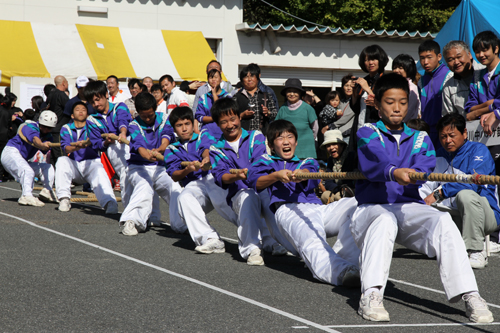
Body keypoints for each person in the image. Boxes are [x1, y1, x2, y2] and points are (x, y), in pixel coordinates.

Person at [351, 73, 493, 323]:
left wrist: (415, 174)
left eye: (403, 102)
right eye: (390, 101)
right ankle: (371, 293)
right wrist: (394, 172)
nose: (397, 108)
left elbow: (424, 164)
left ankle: (470, 294)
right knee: (384, 220)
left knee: (443, 222)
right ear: (377, 104)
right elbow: (374, 160)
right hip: (371, 209)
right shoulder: (367, 131)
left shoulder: (420, 136)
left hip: (408, 207)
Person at [248, 119, 360, 285]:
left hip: (318, 209)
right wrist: (276, 176)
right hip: (288, 210)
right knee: (312, 239)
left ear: (296, 141)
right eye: (280, 138)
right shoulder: (265, 161)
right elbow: (254, 181)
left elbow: (311, 172)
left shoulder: (307, 161)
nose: (286, 141)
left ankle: (345, 258)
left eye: (290, 136)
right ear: (271, 144)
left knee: (359, 204)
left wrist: (303, 174)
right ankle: (339, 271)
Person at [209, 98, 287, 265]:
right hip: (238, 194)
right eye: (223, 122)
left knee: (270, 197)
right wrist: (238, 176)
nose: (230, 125)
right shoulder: (216, 148)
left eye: (232, 119)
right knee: (248, 196)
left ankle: (280, 241)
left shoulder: (256, 136)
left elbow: (262, 161)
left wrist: (250, 173)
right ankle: (251, 248)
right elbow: (221, 176)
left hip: (262, 186)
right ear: (217, 124)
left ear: (239, 117)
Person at [419, 114, 500, 268]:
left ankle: (477, 250)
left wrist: (439, 193)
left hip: (486, 215)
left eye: (451, 135)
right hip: (453, 214)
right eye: (443, 136)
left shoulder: (479, 150)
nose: (447, 140)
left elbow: (473, 184)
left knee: (466, 195)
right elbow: (426, 186)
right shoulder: (439, 155)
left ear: (464, 133)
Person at [164, 106, 238, 246]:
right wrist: (188, 170)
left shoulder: (203, 135)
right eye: (179, 125)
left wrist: (206, 159)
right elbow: (175, 176)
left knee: (225, 205)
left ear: (193, 124)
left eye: (187, 124)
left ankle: (261, 237)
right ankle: (210, 239)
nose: (184, 128)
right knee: (184, 198)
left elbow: (207, 149)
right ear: (174, 129)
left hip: (212, 178)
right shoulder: (171, 149)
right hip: (194, 185)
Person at [119, 92, 182, 236]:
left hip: (160, 166)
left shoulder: (165, 118)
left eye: (150, 115)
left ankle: (181, 223)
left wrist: (161, 148)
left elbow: (167, 135)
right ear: (137, 112)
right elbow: (139, 145)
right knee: (145, 186)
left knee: (175, 187)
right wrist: (146, 154)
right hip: (138, 166)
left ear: (155, 109)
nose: (147, 119)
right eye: (143, 116)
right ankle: (132, 221)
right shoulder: (133, 125)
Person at [55, 102, 118, 214]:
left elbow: (100, 145)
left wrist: (106, 142)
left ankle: (110, 202)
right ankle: (64, 199)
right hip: (74, 164)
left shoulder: (94, 126)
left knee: (99, 168)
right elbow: (66, 148)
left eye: (83, 109)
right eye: (77, 109)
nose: (81, 111)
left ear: (88, 114)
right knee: (62, 160)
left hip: (91, 163)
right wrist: (77, 146)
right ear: (72, 115)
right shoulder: (66, 128)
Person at [0, 110, 58, 206]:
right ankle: (26, 196)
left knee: (48, 167)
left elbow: (45, 149)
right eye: (44, 126)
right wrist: (42, 145)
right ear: (40, 123)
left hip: (22, 158)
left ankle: (47, 190)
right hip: (10, 153)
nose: (46, 129)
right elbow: (35, 139)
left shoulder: (48, 136)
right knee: (28, 171)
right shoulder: (30, 127)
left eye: (49, 128)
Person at [84, 80, 132, 194]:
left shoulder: (119, 106)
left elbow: (123, 121)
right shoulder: (91, 120)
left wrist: (123, 133)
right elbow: (96, 143)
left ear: (106, 94)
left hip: (130, 143)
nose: (96, 104)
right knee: (126, 177)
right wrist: (106, 142)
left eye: (98, 99)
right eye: (92, 102)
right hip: (113, 149)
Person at [418, 40, 453, 146]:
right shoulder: (421, 81)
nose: (425, 62)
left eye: (429, 57)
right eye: (422, 58)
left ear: (439, 57)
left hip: (444, 134)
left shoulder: (450, 76)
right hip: (426, 134)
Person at [275, 78, 317, 159]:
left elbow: (315, 129)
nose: (292, 94)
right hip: (287, 152)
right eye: (289, 91)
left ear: (300, 93)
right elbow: (277, 129)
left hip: (306, 151)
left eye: (295, 91)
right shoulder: (282, 109)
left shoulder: (308, 108)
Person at [233, 65, 278, 135]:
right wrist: (242, 115)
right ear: (242, 80)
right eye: (246, 77)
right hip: (244, 136)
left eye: (252, 76)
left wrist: (268, 112)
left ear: (257, 78)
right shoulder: (236, 97)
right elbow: (231, 117)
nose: (249, 79)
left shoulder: (266, 95)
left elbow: (276, 115)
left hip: (262, 135)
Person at [442, 41, 483, 118]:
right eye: (451, 59)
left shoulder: (485, 73)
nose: (456, 62)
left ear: (469, 55)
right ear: (447, 64)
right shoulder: (449, 86)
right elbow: (449, 117)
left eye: (459, 56)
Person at [471, 31, 500, 135]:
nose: (481, 55)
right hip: (483, 134)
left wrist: (494, 113)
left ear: (496, 49)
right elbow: (470, 106)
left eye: (484, 50)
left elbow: (473, 112)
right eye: (477, 51)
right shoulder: (477, 76)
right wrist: (490, 104)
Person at [318, 130, 352, 204]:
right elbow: (328, 181)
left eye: (334, 144)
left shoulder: (350, 156)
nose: (331, 148)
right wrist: (339, 189)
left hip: (351, 189)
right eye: (328, 146)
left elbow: (351, 180)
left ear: (342, 145)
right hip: (338, 189)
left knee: (338, 197)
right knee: (325, 195)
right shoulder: (331, 160)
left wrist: (344, 189)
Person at [195, 69, 232, 138]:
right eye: (211, 77)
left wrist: (214, 94)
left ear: (221, 80)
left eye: (216, 77)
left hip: (224, 132)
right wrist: (214, 118)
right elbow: (199, 117)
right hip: (207, 133)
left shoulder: (227, 97)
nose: (213, 79)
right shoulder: (203, 98)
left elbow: (222, 113)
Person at [46, 75, 70, 167]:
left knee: (53, 154)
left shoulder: (51, 94)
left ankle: (53, 176)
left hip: (51, 127)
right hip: (60, 127)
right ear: (63, 83)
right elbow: (69, 109)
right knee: (60, 154)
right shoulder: (61, 94)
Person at [392, 54, 420, 121]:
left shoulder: (412, 88)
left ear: (408, 69)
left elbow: (409, 110)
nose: (396, 70)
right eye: (395, 68)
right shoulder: (392, 86)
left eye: (400, 68)